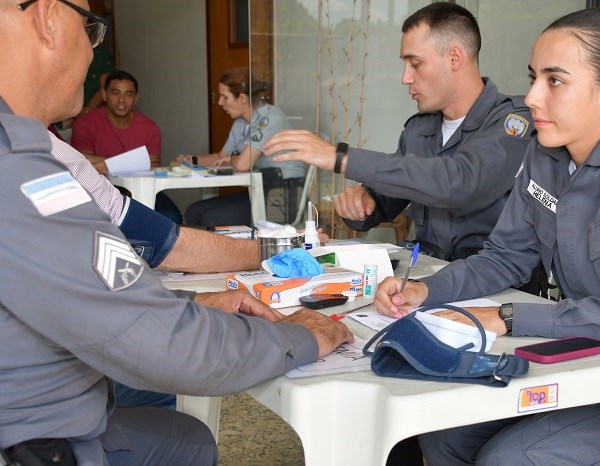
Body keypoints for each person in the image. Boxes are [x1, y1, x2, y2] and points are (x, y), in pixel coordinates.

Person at [0, 2, 352, 465]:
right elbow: (164, 336)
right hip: (39, 442)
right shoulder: (23, 170)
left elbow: (137, 247)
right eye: (90, 29)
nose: (91, 53)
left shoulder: (34, 151)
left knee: (189, 437)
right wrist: (302, 334)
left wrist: (193, 300)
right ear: (48, 19)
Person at [374, 8, 600, 465]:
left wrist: (509, 317)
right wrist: (426, 290)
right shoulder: (546, 152)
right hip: (594, 357)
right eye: (533, 77)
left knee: (511, 458)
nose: (531, 97)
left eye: (555, 80)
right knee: (445, 437)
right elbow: (504, 255)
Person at [264, 2, 532, 262]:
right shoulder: (419, 129)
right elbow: (392, 194)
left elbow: (459, 182)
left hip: (496, 293)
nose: (405, 77)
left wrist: (342, 158)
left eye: (415, 63)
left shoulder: (513, 122)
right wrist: (363, 201)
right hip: (426, 277)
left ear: (454, 58)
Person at [179, 67, 305, 226]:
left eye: (225, 97)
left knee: (210, 219)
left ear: (242, 98)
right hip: (259, 190)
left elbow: (243, 164)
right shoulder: (240, 123)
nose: (219, 103)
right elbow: (221, 156)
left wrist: (232, 158)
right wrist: (192, 160)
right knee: (194, 212)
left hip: (282, 195)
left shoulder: (269, 118)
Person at [72, 69, 183, 223]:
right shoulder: (85, 123)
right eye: (115, 93)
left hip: (143, 189)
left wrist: (108, 163)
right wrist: (130, 161)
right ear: (104, 95)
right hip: (100, 189)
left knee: (171, 217)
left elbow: (153, 165)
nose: (121, 100)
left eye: (128, 94)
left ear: (136, 98)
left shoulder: (149, 127)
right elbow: (82, 162)